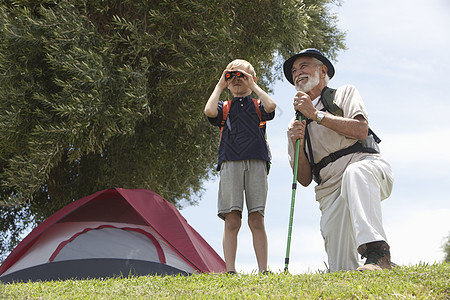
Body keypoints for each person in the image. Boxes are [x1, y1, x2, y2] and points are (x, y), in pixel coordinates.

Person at [284, 48, 394, 272]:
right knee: (341, 269)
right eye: (294, 71)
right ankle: (371, 272)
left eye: (304, 66)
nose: (297, 73)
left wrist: (316, 115)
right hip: (329, 189)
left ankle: (378, 252)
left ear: (322, 71)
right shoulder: (295, 124)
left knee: (355, 173)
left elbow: (361, 130)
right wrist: (297, 144)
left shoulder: (343, 93)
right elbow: (304, 179)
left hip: (366, 167)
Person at [204, 59, 276, 274]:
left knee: (257, 217)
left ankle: (263, 270)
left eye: (241, 77)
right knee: (232, 218)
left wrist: (252, 85)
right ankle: (230, 270)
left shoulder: (257, 105)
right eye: (232, 77)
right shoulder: (224, 107)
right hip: (230, 162)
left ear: (251, 79)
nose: (237, 80)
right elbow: (209, 111)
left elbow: (271, 106)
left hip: (256, 161)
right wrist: (220, 85)